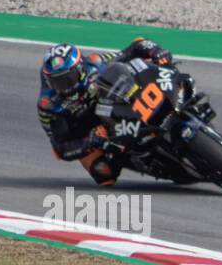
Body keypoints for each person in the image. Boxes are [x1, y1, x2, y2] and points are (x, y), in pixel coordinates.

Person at [37, 37, 174, 186]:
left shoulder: (96, 62)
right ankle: (139, 160)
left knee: (141, 70)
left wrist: (155, 51)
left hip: (121, 107)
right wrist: (89, 140)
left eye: (67, 79)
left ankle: (178, 95)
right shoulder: (49, 106)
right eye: (56, 82)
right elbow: (60, 149)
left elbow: (136, 45)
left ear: (80, 69)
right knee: (104, 173)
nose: (63, 87)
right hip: (95, 132)